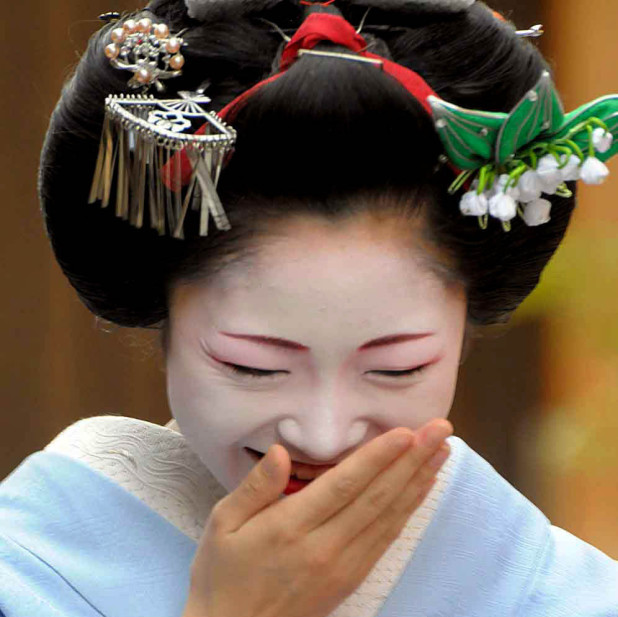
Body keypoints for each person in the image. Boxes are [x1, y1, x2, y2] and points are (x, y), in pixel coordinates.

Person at [1, 0, 617, 616]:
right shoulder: (31, 568)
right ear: (162, 305)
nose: (322, 436)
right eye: (254, 366)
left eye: (397, 367)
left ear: (463, 329)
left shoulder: (562, 596)